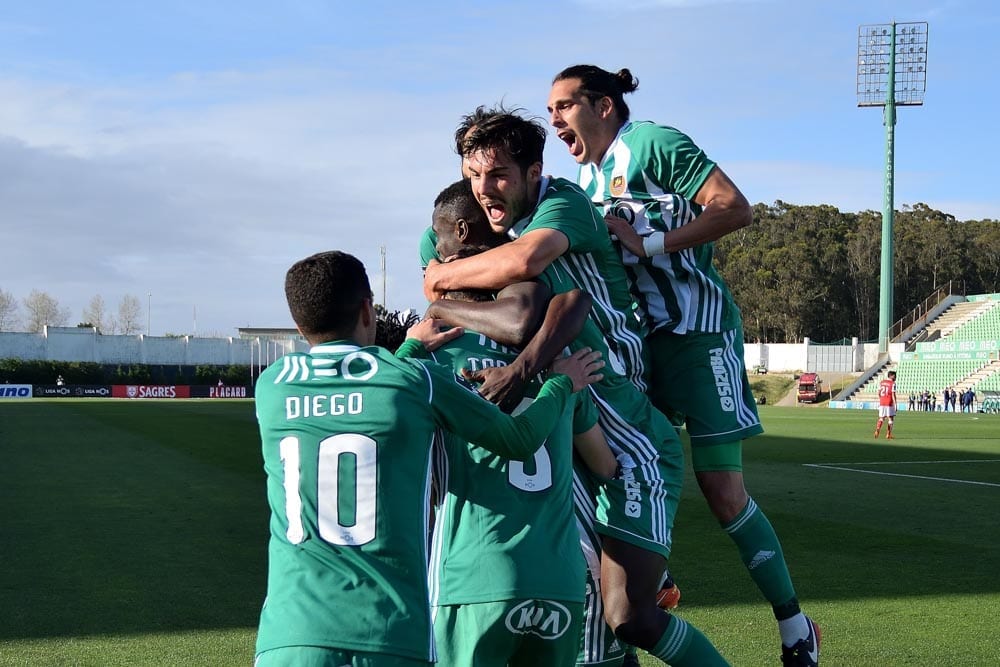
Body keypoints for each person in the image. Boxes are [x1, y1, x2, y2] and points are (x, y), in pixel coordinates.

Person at [424, 118, 729, 667]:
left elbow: (541, 295)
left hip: (627, 429)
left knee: (630, 617)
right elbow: (448, 271)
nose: (484, 189)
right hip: (574, 426)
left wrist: (449, 295)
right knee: (591, 626)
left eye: (498, 174)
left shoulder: (561, 205)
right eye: (473, 175)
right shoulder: (464, 224)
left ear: (533, 172)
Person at [546, 64, 819, 666]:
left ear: (604, 105)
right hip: (641, 344)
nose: (555, 121)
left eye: (564, 106)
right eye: (550, 112)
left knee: (722, 491)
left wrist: (648, 242)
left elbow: (734, 208)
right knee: (621, 460)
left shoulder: (652, 143)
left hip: (698, 335)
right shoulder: (584, 180)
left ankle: (796, 626)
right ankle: (652, 584)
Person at [253, 250, 603, 666]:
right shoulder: (417, 381)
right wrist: (560, 384)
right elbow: (518, 439)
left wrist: (410, 348)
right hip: (390, 631)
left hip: (290, 636)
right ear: (367, 310)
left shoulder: (271, 387)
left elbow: (361, 395)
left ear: (299, 325)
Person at [874, 371, 898, 439]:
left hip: (882, 402)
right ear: (891, 376)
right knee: (890, 418)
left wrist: (881, 399)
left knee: (881, 418)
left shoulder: (882, 382)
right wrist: (895, 404)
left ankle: (877, 430)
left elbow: (879, 393)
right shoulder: (893, 383)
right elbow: (893, 395)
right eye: (895, 376)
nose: (895, 377)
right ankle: (888, 434)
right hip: (889, 402)